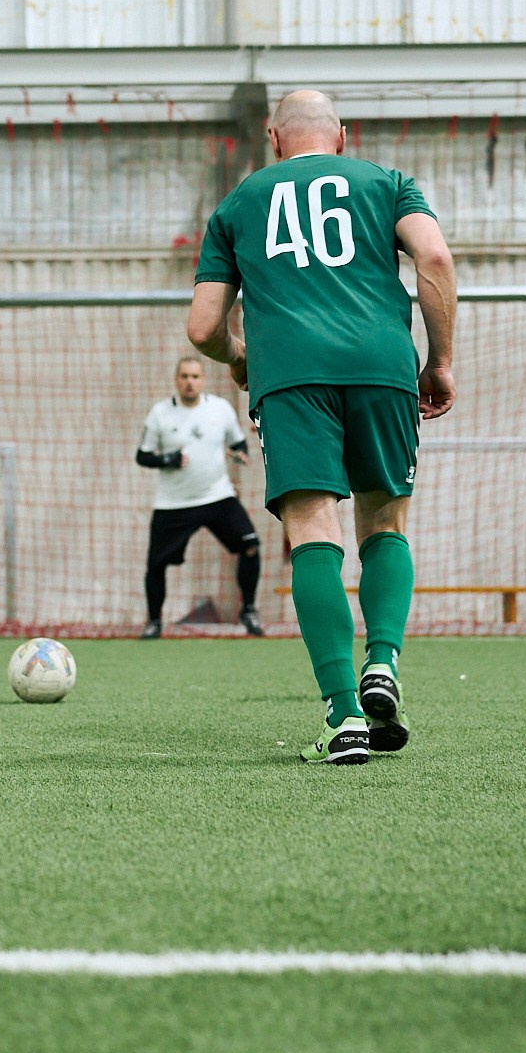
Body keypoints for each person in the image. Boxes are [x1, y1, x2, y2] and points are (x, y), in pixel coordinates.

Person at [186, 90, 458, 765]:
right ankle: (383, 662)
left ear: (274, 138)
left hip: (292, 374)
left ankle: (343, 716)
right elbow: (436, 260)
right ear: (341, 137)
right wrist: (440, 361)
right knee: (385, 523)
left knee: (313, 529)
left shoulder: (239, 203)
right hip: (382, 364)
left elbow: (201, 328)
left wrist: (240, 355)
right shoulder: (389, 184)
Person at [135, 356, 265, 639]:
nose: (189, 382)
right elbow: (142, 456)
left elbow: (238, 441)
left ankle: (249, 610)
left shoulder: (220, 409)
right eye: (184, 376)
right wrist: (168, 458)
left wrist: (241, 452)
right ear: (176, 380)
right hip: (174, 503)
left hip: (218, 496)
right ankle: (154, 622)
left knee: (251, 546)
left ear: (202, 379)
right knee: (155, 565)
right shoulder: (160, 413)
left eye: (195, 376)